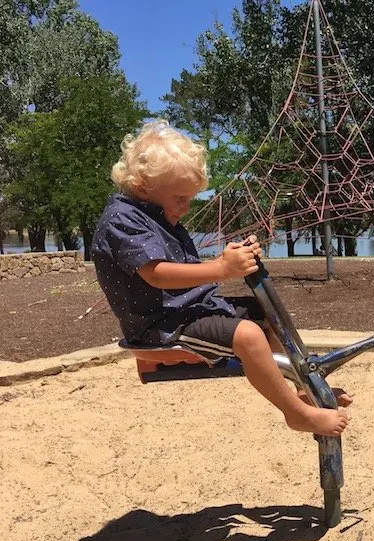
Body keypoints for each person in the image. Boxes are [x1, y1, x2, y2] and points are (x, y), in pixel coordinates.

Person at [91, 119, 350, 437]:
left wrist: (237, 259)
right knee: (249, 336)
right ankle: (295, 414)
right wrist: (222, 269)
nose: (186, 207)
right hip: (161, 326)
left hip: (188, 311)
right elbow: (156, 274)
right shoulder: (123, 220)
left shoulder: (156, 212)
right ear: (144, 186)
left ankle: (302, 389)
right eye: (180, 198)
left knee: (267, 313)